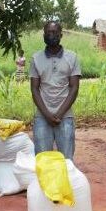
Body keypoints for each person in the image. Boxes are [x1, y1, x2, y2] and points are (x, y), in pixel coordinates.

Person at [30, 21, 82, 160]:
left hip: (65, 117)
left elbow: (74, 88)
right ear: (43, 35)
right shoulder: (36, 58)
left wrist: (59, 114)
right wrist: (47, 115)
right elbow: (34, 89)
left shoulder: (72, 57)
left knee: (66, 161)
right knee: (42, 160)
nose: (50, 35)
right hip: (42, 117)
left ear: (61, 35)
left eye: (54, 32)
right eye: (48, 33)